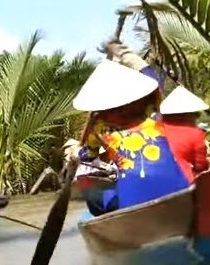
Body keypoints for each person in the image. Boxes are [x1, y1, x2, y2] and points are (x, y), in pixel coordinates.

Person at [71, 60, 192, 213]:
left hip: (130, 201)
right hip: (180, 189)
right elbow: (154, 80)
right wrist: (126, 56)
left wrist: (76, 153)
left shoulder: (100, 125)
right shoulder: (153, 113)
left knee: (90, 191)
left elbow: (87, 156)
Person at [160, 86, 210, 178]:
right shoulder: (196, 134)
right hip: (183, 182)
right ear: (189, 115)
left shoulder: (154, 129)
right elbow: (200, 165)